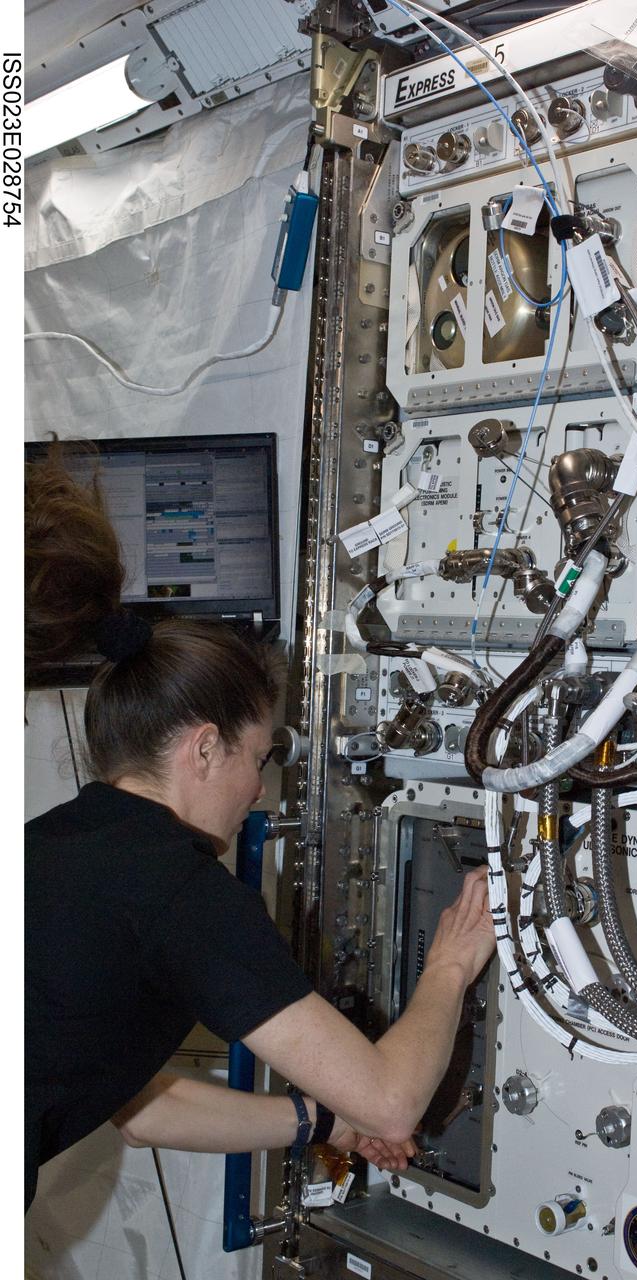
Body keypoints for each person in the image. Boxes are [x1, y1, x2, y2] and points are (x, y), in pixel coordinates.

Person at [24, 446, 496, 1211]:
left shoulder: (54, 844)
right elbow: (392, 1104)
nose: (257, 788)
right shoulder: (177, 887)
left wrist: (319, 1119)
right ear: (203, 748)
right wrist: (451, 964)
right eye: (258, 755)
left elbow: (141, 1111)